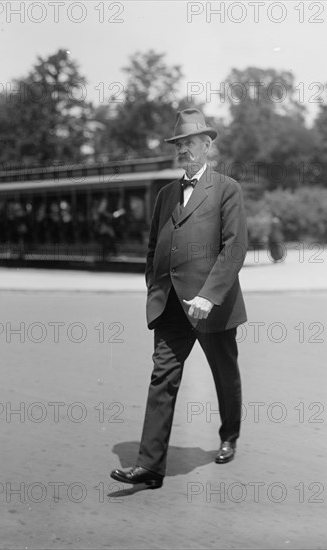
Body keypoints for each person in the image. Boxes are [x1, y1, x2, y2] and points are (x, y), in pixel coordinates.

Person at [110, 108, 248, 489]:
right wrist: (153, 286)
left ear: (207, 145)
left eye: (190, 142)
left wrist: (209, 295)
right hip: (170, 304)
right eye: (178, 144)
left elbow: (235, 248)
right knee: (162, 378)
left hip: (211, 305)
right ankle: (150, 467)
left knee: (224, 374)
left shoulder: (226, 188)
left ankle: (229, 435)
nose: (183, 149)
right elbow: (154, 249)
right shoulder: (166, 194)